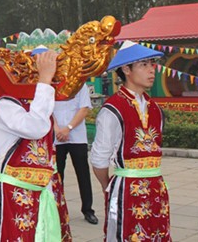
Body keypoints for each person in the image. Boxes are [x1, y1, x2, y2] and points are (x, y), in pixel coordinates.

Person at [0, 49, 71, 242]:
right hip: (10, 197)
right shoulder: (5, 106)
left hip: (40, 194)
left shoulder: (38, 107)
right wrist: (44, 81)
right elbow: (34, 127)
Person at [91, 41, 170, 241]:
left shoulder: (155, 109)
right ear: (126, 69)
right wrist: (106, 185)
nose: (151, 70)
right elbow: (99, 160)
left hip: (156, 188)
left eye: (152, 64)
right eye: (144, 65)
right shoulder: (112, 109)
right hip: (128, 189)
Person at [54, 83, 98, 225]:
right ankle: (57, 209)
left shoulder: (80, 84)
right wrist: (56, 130)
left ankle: (88, 210)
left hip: (77, 136)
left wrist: (68, 128)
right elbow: (47, 109)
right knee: (57, 175)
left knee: (83, 174)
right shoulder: (51, 82)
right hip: (56, 137)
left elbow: (84, 109)